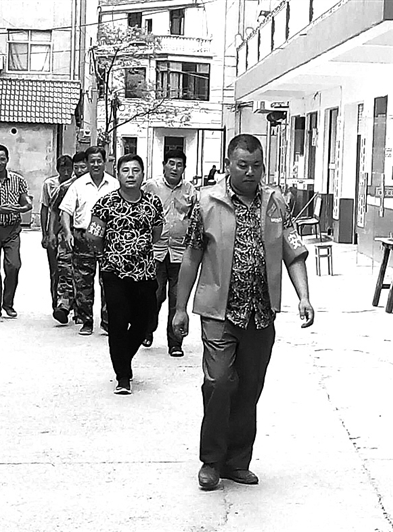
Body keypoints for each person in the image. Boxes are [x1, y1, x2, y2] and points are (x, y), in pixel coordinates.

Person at [172, 134, 314, 490]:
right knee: (218, 383)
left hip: (260, 314)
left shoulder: (276, 202)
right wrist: (179, 309)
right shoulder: (207, 202)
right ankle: (211, 461)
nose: (250, 172)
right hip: (218, 312)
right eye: (242, 165)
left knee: (249, 388)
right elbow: (191, 256)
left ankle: (237, 461)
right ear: (229, 165)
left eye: (256, 166)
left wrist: (304, 296)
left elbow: (293, 251)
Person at [86, 154, 164, 395]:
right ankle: (122, 375)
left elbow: (157, 233)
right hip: (114, 273)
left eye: (135, 170)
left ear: (143, 174)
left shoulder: (153, 203)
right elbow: (93, 235)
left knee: (144, 322)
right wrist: (108, 256)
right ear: (117, 174)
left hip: (144, 273)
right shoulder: (105, 203)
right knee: (118, 323)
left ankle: (123, 357)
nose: (131, 175)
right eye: (125, 170)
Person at [142, 149, 197, 357]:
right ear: (164, 165)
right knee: (154, 295)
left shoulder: (190, 191)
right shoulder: (150, 187)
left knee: (177, 299)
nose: (175, 168)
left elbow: (195, 219)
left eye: (179, 165)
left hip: (180, 253)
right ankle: (147, 329)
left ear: (184, 168)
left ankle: (175, 343)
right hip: (155, 252)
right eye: (171, 163)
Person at [59, 146, 119, 335]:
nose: (96, 164)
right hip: (83, 237)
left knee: (109, 280)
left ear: (104, 162)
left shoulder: (114, 185)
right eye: (92, 161)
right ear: (87, 163)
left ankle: (108, 321)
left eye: (99, 161)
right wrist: (67, 233)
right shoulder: (78, 185)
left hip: (107, 239)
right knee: (83, 282)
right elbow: (65, 211)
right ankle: (86, 321)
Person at [48, 151, 88, 324]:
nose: (79, 171)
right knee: (64, 270)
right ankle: (63, 306)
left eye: (82, 167)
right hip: (66, 235)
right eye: (76, 168)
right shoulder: (65, 187)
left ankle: (81, 311)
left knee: (82, 275)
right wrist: (51, 232)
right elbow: (53, 210)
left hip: (88, 235)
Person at [0, 144, 32, 318]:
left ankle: (8, 303)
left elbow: (26, 201)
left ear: (7, 160)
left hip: (12, 229)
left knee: (13, 265)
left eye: (2, 159)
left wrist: (22, 207)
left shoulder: (18, 180)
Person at [40, 155, 73, 310]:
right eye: (62, 169)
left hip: (69, 231)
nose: (66, 172)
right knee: (55, 270)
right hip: (54, 230)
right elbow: (45, 208)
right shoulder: (49, 184)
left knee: (70, 270)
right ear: (57, 169)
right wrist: (45, 234)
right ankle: (56, 302)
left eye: (68, 169)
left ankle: (70, 303)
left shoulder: (75, 184)